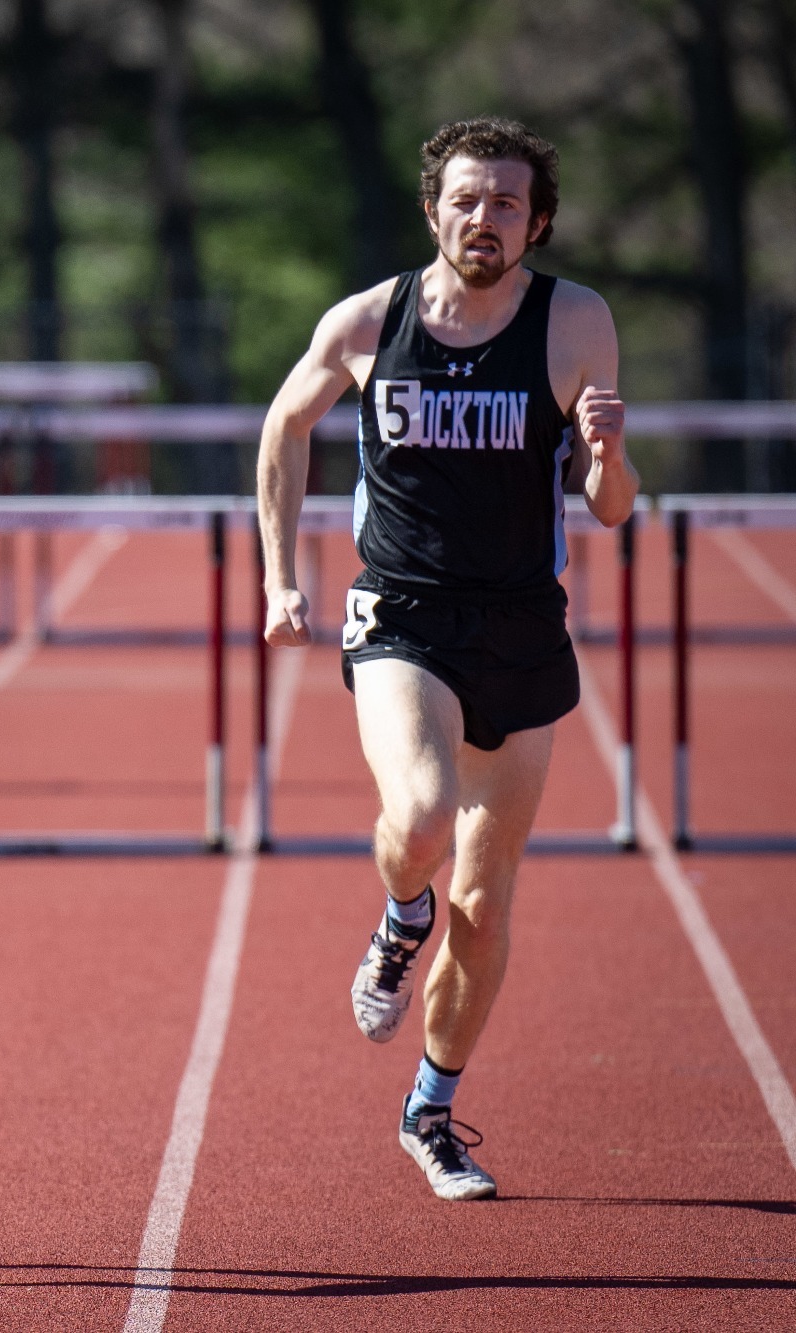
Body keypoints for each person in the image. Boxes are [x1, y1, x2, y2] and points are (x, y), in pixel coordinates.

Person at [257, 118, 638, 1201]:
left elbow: (609, 507)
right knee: (420, 817)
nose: (484, 220)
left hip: (520, 625)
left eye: (506, 204)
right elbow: (283, 429)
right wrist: (281, 576)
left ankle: (429, 1111)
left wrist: (608, 453)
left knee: (487, 892)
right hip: (400, 613)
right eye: (465, 200)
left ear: (538, 221)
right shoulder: (370, 319)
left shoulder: (573, 322)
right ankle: (397, 916)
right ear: (433, 210)